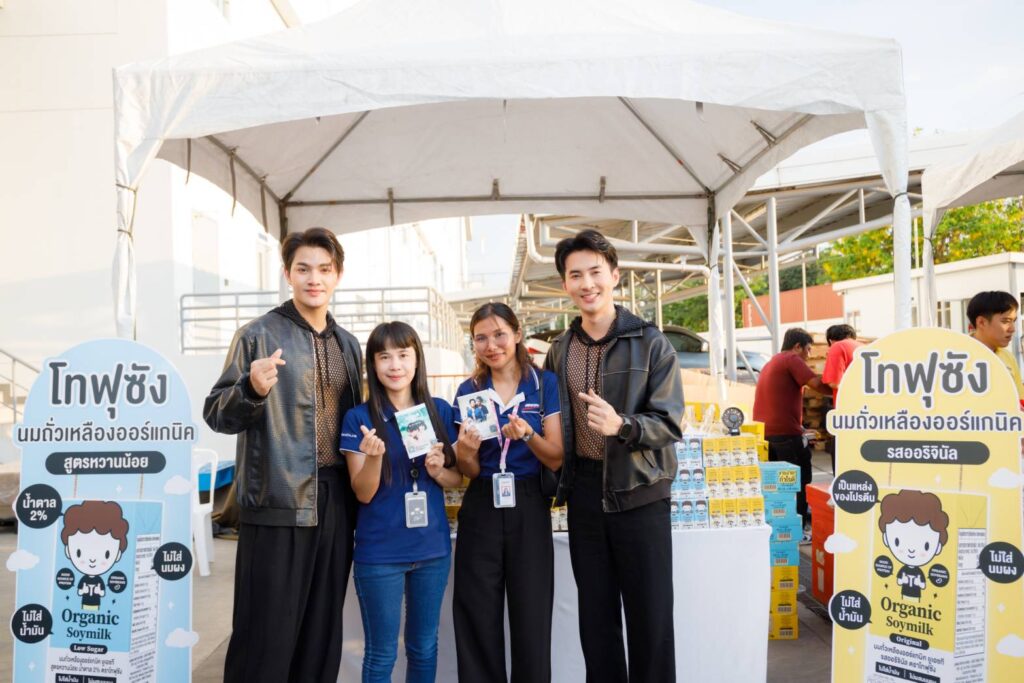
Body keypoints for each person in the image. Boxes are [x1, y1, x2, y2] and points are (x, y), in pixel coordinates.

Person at [204, 227, 362, 683]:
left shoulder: (348, 344)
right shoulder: (257, 335)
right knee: (265, 636)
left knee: (322, 631)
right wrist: (251, 389)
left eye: (324, 269)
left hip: (337, 501)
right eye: (303, 269)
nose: (314, 279)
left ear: (338, 275)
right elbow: (216, 413)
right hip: (277, 500)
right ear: (287, 274)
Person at [544, 229, 684, 683]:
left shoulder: (650, 341)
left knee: (651, 621)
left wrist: (622, 425)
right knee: (596, 621)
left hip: (641, 492)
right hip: (585, 494)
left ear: (615, 276)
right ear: (565, 284)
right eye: (576, 275)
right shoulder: (559, 350)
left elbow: (670, 423)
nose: (587, 284)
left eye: (595, 272)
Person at [339, 321, 462, 683]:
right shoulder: (359, 419)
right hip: (380, 553)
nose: (395, 365)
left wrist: (438, 470)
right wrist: (374, 458)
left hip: (432, 550)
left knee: (424, 647)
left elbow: (456, 480)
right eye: (384, 357)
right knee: (382, 653)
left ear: (417, 359)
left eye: (403, 355)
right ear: (373, 365)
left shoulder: (439, 410)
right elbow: (363, 492)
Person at [452, 302, 563, 683]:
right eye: (480, 338)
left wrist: (528, 435)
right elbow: (468, 471)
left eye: (499, 334)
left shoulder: (544, 384)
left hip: (529, 503)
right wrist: (466, 451)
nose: (491, 345)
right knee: (477, 614)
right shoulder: (469, 391)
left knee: (532, 615)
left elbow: (555, 457)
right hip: (482, 502)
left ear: (517, 334)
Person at [752, 328, 827, 530]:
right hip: (785, 435)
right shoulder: (791, 359)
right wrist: (842, 388)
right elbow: (817, 384)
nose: (808, 355)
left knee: (777, 487)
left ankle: (779, 526)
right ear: (797, 346)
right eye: (808, 349)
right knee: (799, 482)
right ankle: (798, 527)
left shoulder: (772, 362)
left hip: (767, 435)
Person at [61, 500, 129, 611]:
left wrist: (99, 591)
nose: (92, 559)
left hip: (96, 603)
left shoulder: (99, 580)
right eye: (79, 553)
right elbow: (79, 592)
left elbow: (102, 593)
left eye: (107, 555)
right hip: (84, 602)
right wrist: (83, 591)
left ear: (118, 555)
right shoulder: (83, 579)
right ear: (68, 551)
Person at [966, 291, 1024, 399]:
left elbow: (1019, 400)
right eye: (1006, 321)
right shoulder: (957, 354)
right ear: (981, 322)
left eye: (1013, 321)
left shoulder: (1008, 357)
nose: (1012, 329)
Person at [822, 324, 863, 473]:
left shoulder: (838, 347)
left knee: (842, 469)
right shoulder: (863, 348)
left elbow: (834, 382)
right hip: (866, 417)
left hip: (846, 418)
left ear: (831, 340)